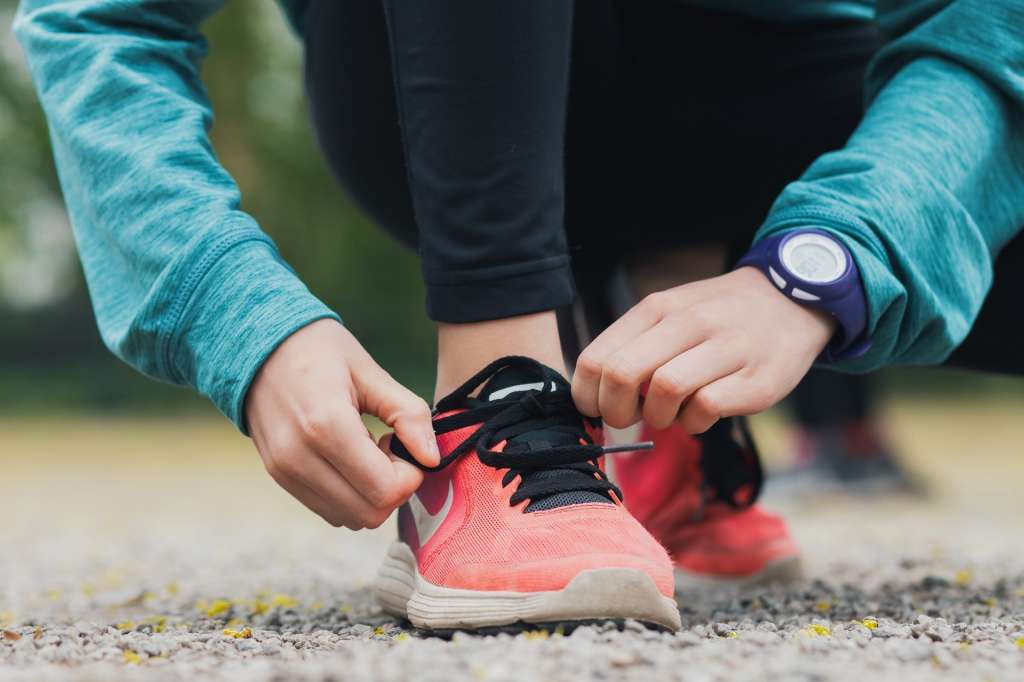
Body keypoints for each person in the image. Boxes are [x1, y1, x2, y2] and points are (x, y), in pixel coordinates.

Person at [13, 0, 1024, 632]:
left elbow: (989, 27)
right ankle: (505, 396)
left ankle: (654, 415)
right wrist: (238, 315)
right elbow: (102, 20)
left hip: (805, 115)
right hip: (444, 81)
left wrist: (828, 261)